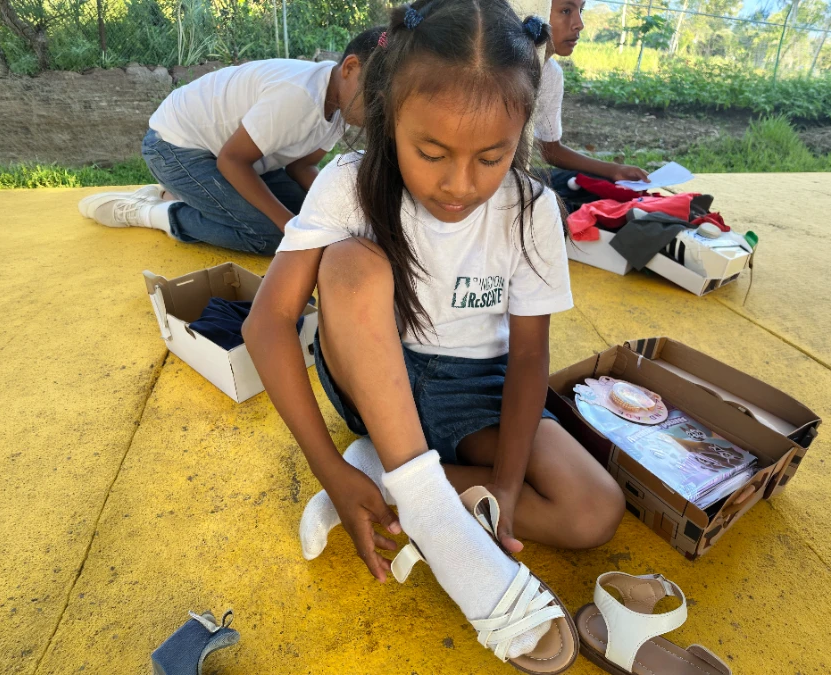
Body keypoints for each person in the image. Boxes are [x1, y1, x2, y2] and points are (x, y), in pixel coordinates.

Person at [243, 0, 624, 668]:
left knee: (593, 510)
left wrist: (507, 485)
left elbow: (529, 357)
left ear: (520, 132)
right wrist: (328, 469)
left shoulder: (533, 210)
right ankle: (434, 514)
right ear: (390, 116)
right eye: (431, 152)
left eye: (491, 157)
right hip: (375, 373)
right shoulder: (348, 183)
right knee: (349, 263)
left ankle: (392, 473)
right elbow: (267, 322)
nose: (459, 185)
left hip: (478, 389)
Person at [78, 28, 382, 256]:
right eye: (378, 97)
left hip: (239, 158)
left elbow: (301, 167)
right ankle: (151, 212)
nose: (381, 110)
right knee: (270, 237)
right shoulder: (298, 97)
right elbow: (231, 161)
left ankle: (188, 195)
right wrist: (289, 227)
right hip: (175, 147)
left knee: (311, 218)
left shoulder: (343, 103)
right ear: (350, 68)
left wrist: (340, 209)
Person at [535, 0, 649, 211]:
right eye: (566, 11)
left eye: (581, 10)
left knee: (603, 187)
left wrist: (614, 170)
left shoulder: (551, 74)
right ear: (534, 9)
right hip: (494, 184)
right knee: (561, 211)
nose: (579, 24)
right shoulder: (502, 70)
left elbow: (550, 149)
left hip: (518, 178)